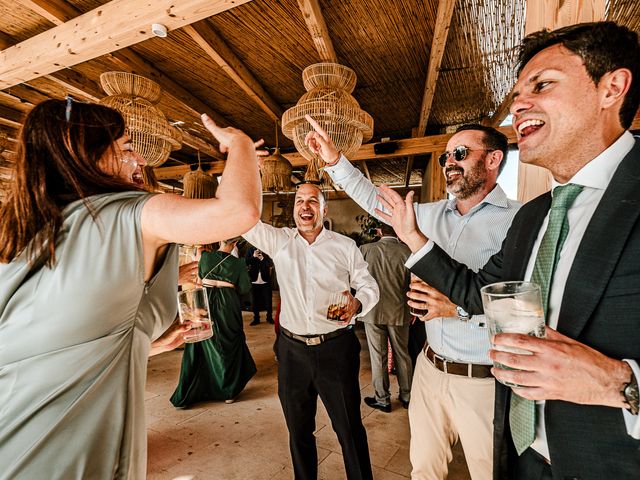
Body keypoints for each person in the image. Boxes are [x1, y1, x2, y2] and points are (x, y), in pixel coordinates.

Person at [377, 21, 640, 480]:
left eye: (542, 84)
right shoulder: (535, 215)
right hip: (521, 454)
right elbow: (481, 290)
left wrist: (621, 384)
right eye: (518, 92)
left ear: (610, 87)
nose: (518, 104)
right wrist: (414, 238)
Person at [0, 99, 262, 479]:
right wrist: (238, 143)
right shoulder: (123, 212)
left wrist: (148, 343)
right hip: (55, 452)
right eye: (126, 148)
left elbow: (60, 341)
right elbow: (238, 212)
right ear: (83, 154)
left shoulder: (33, 236)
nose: (141, 159)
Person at [306, 117, 520, 479]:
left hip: (484, 380)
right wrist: (334, 161)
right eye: (446, 155)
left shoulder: (517, 221)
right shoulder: (428, 215)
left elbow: (522, 304)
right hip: (430, 369)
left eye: (461, 153)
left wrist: (457, 309)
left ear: (494, 159)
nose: (450, 161)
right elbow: (375, 199)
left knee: (490, 471)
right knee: (423, 469)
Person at [243, 181, 379, 480]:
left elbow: (369, 285)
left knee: (348, 428)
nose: (305, 206)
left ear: (324, 209)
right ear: (294, 209)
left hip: (336, 349)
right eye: (299, 201)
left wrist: (357, 303)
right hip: (292, 352)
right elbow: (243, 219)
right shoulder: (279, 241)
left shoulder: (344, 246)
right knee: (299, 430)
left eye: (313, 201)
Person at [170, 237, 256, 407]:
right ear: (235, 244)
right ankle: (228, 392)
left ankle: (197, 387)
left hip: (206, 301)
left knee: (203, 339)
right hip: (227, 303)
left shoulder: (206, 257)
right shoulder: (238, 263)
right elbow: (245, 288)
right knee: (229, 341)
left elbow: (199, 277)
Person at [359, 222, 413, 413]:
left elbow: (355, 279)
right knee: (402, 354)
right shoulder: (408, 251)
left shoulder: (365, 250)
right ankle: (407, 396)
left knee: (377, 355)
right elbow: (414, 283)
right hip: (400, 311)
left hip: (372, 311)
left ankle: (382, 399)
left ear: (380, 232)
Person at [245, 245, 274, 325]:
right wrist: (253, 257)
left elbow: (271, 264)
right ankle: (256, 319)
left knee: (268, 300)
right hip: (254, 280)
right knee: (255, 301)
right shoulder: (250, 250)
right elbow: (246, 262)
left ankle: (269, 317)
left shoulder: (267, 249)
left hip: (266, 280)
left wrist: (262, 258)